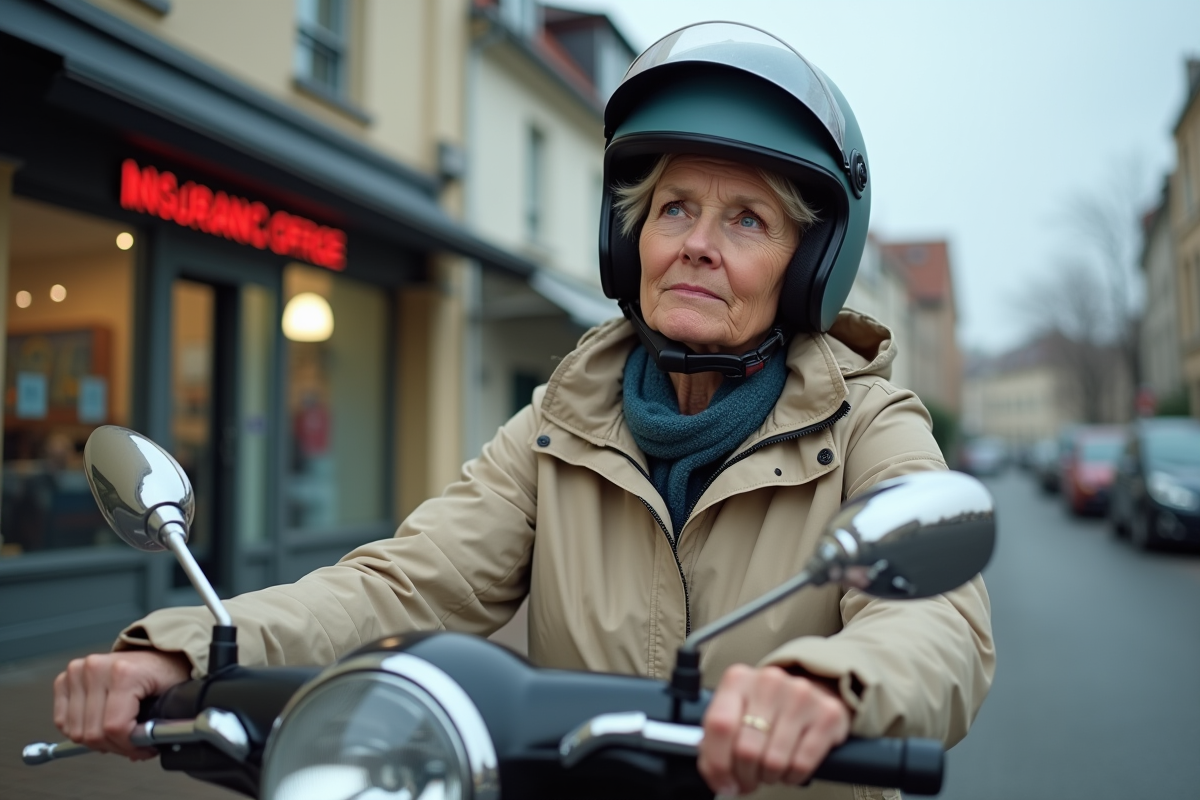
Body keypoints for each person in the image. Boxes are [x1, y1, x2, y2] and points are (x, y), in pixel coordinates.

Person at [53, 22, 993, 800]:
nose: (697, 245)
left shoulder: (868, 424)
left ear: (811, 263)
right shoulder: (563, 418)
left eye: (747, 219)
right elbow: (405, 584)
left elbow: (938, 625)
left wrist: (826, 685)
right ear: (630, 238)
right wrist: (183, 650)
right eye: (674, 209)